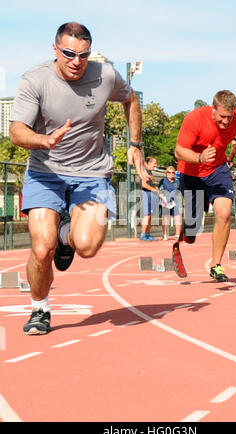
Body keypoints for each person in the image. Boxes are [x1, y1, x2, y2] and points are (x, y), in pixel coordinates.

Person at [9, 22, 147, 335]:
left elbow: (131, 100)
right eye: (69, 53)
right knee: (41, 248)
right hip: (46, 173)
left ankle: (65, 237)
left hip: (92, 174)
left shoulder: (106, 75)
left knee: (87, 246)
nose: (76, 61)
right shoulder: (35, 79)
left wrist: (135, 145)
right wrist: (43, 141)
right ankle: (40, 309)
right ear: (55, 50)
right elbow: (16, 131)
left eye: (83, 55)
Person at [174, 90, 236, 282]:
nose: (225, 122)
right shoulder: (195, 119)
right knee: (192, 231)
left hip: (217, 170)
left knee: (224, 213)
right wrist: (200, 157)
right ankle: (187, 230)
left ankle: (216, 265)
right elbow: (179, 152)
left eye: (229, 117)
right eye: (222, 116)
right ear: (213, 109)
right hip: (191, 172)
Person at [158, 166, 182, 240]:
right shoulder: (163, 181)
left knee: (177, 218)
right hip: (165, 201)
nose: (171, 174)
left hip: (175, 202)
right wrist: (163, 200)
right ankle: (165, 235)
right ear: (166, 173)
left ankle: (177, 235)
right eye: (169, 172)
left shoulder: (177, 181)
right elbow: (160, 191)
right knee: (165, 218)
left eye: (173, 172)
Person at [140, 157, 160, 241]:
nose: (155, 165)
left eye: (156, 163)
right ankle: (143, 234)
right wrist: (154, 190)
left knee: (150, 216)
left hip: (152, 194)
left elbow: (151, 185)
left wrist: (156, 188)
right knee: (147, 215)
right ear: (149, 163)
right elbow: (144, 185)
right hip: (146, 194)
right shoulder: (145, 171)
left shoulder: (150, 172)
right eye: (154, 163)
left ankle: (148, 234)